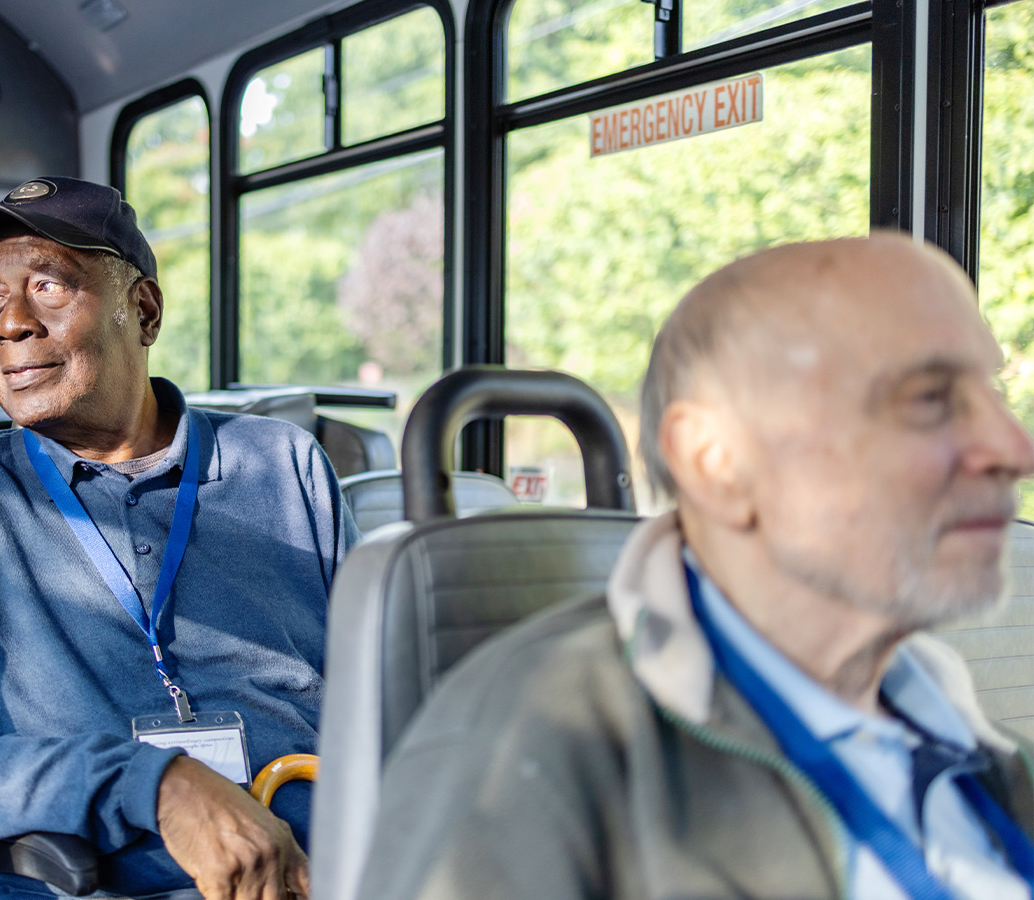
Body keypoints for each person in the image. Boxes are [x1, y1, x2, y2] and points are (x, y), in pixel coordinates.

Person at [356, 234, 1034, 900]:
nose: (1013, 448)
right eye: (927, 401)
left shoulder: (972, 742)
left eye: (994, 394)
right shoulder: (530, 751)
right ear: (719, 462)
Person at [0, 176, 358, 900]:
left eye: (48, 286)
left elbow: (383, 694)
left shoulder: (283, 464)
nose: (9, 323)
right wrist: (154, 783)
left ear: (143, 311)